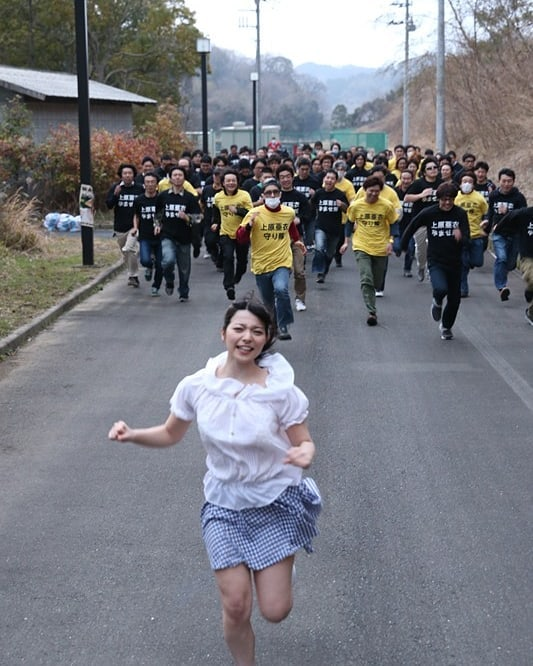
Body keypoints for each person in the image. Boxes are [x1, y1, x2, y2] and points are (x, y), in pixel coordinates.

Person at [108, 297, 321, 666]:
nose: (247, 337)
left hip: (274, 503)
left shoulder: (279, 392)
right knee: (236, 605)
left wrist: (304, 452)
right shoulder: (197, 386)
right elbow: (171, 433)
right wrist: (133, 434)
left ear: (266, 338)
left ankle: (280, 569)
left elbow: (303, 440)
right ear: (223, 334)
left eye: (257, 331)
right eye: (239, 329)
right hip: (224, 506)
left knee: (275, 610)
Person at [237, 179, 306, 340]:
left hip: (282, 261)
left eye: (275, 192)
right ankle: (272, 325)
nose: (272, 195)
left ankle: (283, 325)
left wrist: (297, 241)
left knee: (281, 289)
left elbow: (291, 227)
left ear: (280, 195)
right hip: (261, 264)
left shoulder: (288, 212)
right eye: (268, 193)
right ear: (263, 196)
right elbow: (240, 238)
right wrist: (248, 226)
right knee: (268, 303)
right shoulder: (254, 213)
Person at [401, 182, 470, 340]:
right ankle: (437, 302)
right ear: (438, 199)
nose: (447, 203)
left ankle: (446, 327)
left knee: (454, 300)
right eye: (444, 199)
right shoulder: (429, 213)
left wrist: (461, 237)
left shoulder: (460, 214)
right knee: (440, 289)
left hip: (455, 262)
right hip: (436, 260)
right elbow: (412, 226)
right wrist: (403, 245)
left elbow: (468, 238)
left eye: (451, 199)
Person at [340, 176, 399, 326]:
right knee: (366, 278)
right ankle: (371, 311)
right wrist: (346, 241)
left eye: (377, 192)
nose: (374, 194)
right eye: (371, 191)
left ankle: (373, 297)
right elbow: (349, 222)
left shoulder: (386, 205)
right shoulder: (356, 206)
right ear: (365, 190)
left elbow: (394, 223)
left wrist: (391, 242)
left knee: (377, 281)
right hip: (361, 245)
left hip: (380, 247)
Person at [155, 166, 201, 302]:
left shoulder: (190, 198)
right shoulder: (163, 196)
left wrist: (187, 217)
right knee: (167, 261)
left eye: (180, 175)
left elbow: (198, 217)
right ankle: (169, 280)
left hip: (185, 237)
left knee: (184, 269)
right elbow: (158, 214)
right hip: (167, 235)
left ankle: (183, 291)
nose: (177, 177)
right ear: (170, 178)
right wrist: (157, 225)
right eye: (174, 175)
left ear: (184, 178)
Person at [483, 168, 527, 301]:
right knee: (501, 258)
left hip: (515, 233)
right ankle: (501, 287)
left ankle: (503, 277)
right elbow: (490, 212)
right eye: (504, 181)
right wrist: (487, 225)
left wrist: (508, 212)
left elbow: (523, 215)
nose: (506, 184)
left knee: (511, 264)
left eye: (509, 181)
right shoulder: (494, 196)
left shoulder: (518, 198)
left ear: (513, 182)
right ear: (499, 181)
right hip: (499, 232)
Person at [213, 170, 253, 301]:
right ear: (223, 183)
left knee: (242, 261)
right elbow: (217, 212)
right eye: (228, 181)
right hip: (226, 233)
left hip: (242, 233)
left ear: (237, 182)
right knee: (228, 257)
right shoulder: (218, 197)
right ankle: (229, 286)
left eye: (233, 180)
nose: (231, 183)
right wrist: (215, 223)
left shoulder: (244, 195)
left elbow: (250, 213)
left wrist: (237, 211)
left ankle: (238, 276)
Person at [277, 164, 312, 313]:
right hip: (277, 239)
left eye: (288, 176)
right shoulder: (275, 196)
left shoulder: (300, 197)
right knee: (280, 271)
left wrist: (300, 219)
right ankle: (280, 297)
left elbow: (308, 214)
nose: (285, 180)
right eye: (282, 177)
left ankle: (300, 298)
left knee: (299, 271)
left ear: (293, 177)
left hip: (296, 238)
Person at [105, 163, 145, 287]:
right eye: (125, 174)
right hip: (120, 227)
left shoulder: (139, 189)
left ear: (134, 175)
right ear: (121, 175)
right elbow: (109, 205)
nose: (127, 176)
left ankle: (133, 276)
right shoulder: (115, 188)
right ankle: (132, 273)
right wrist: (116, 195)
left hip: (135, 226)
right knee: (126, 252)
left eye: (130, 173)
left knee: (130, 249)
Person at [493, 206, 533, 325]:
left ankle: (531, 310)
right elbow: (510, 217)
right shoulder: (526, 213)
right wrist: (498, 228)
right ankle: (531, 290)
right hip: (528, 256)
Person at [404, 157, 442, 281]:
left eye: (435, 168)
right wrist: (421, 195)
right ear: (424, 172)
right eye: (429, 168)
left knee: (435, 247)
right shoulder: (418, 183)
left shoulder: (441, 184)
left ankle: (432, 269)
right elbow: (407, 198)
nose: (433, 170)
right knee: (421, 249)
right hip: (421, 222)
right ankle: (421, 266)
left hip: (438, 221)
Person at [310, 170, 348, 284]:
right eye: (327, 177)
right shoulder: (319, 193)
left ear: (336, 181)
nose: (329, 180)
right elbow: (311, 206)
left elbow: (348, 210)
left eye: (332, 178)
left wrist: (342, 205)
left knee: (330, 254)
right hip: (320, 226)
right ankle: (318, 270)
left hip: (335, 229)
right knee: (320, 248)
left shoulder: (340, 194)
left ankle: (324, 272)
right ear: (324, 179)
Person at [454, 171, 489, 297]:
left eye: (470, 182)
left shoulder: (479, 198)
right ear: (460, 184)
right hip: (462, 236)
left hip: (476, 235)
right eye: (464, 182)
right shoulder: (456, 198)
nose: (467, 184)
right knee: (463, 264)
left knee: (477, 262)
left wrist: (485, 221)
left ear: (474, 184)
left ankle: (467, 264)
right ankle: (463, 289)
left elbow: (486, 212)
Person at [132, 171, 163, 296]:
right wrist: (135, 228)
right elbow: (136, 216)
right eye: (147, 182)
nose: (150, 185)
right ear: (144, 184)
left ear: (156, 184)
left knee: (161, 264)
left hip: (160, 236)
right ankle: (149, 267)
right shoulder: (139, 200)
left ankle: (156, 286)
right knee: (144, 260)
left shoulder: (161, 199)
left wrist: (159, 226)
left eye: (152, 182)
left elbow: (163, 216)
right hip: (145, 236)